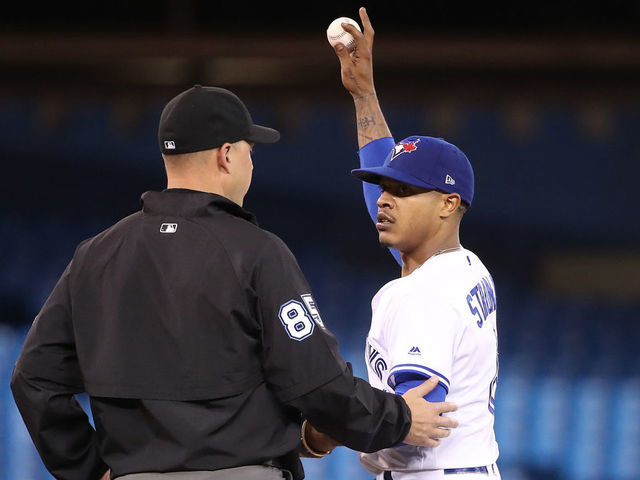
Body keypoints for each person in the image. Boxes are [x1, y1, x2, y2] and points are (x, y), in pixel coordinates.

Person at [10, 84, 460, 480]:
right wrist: (399, 419)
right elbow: (319, 386)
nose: (251, 162)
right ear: (226, 155)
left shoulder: (96, 256)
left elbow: (33, 379)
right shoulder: (256, 251)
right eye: (249, 149)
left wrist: (89, 468)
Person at [328, 7, 501, 479]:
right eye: (385, 188)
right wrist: (363, 93)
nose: (385, 201)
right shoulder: (463, 265)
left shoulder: (421, 294)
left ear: (448, 203)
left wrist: (367, 446)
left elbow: (421, 419)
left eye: (402, 191)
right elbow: (385, 202)